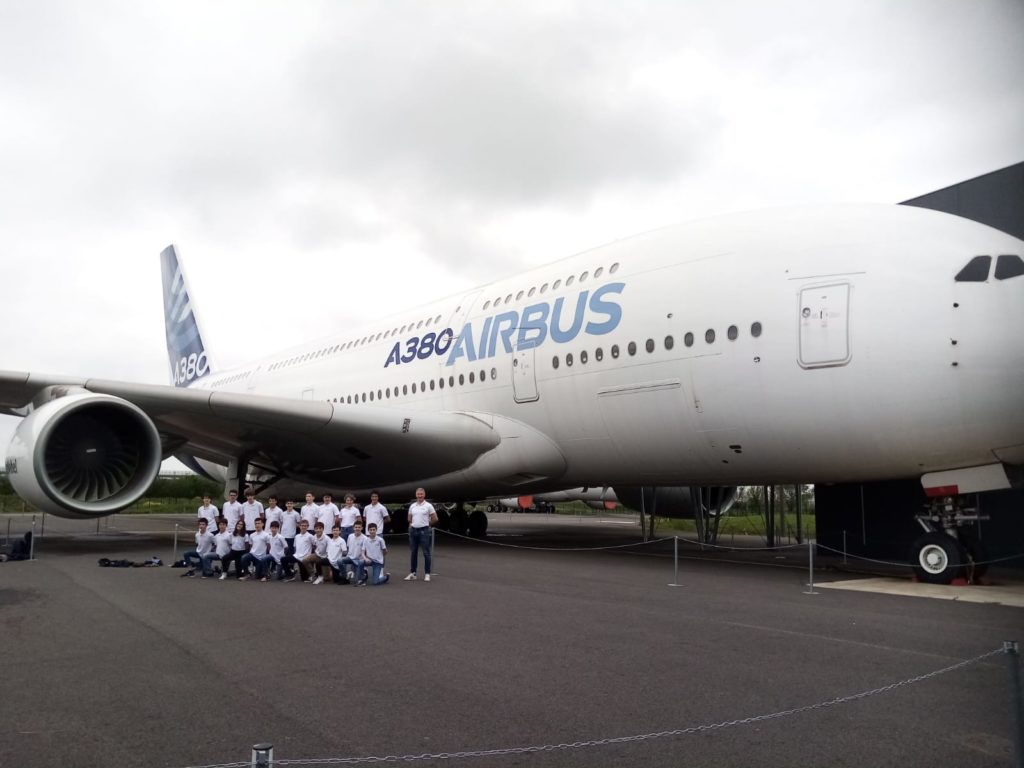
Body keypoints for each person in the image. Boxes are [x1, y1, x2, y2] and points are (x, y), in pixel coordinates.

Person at [405, 487, 438, 582]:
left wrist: (428, 524)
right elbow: (409, 519)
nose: (420, 496)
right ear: (416, 495)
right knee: (413, 552)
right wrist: (410, 527)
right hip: (414, 530)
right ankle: (413, 573)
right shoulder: (412, 506)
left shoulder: (428, 506)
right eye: (418, 494)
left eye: (421, 494)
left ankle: (427, 574)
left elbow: (435, 518)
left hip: (424, 531)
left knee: (426, 553)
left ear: (424, 495)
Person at [340, 520, 368, 585]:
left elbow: (365, 552)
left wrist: (364, 562)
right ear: (353, 528)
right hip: (350, 558)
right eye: (356, 527)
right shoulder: (350, 536)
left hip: (359, 560)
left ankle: (364, 573)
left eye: (359, 527)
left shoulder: (365, 538)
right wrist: (346, 556)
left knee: (357, 581)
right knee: (339, 561)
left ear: (362, 528)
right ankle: (345, 577)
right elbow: (349, 548)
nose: (357, 528)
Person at [292, 519, 317, 583]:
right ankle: (291, 573)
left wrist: (311, 555)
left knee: (304, 578)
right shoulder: (297, 536)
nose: (303, 527)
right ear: (299, 526)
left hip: (305, 557)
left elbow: (315, 545)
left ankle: (310, 574)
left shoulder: (310, 536)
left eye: (305, 526)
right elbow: (295, 546)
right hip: (296, 556)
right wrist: (295, 554)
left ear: (307, 526)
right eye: (302, 525)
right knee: (284, 559)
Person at [280, 500, 301, 565]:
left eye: (291, 504)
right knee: (283, 551)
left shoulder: (296, 514)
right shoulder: (282, 513)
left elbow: (298, 524)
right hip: (283, 535)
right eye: (288, 503)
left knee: (290, 552)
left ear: (293, 505)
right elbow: (281, 523)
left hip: (291, 535)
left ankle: (291, 566)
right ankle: (284, 565)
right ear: (286, 505)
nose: (289, 505)